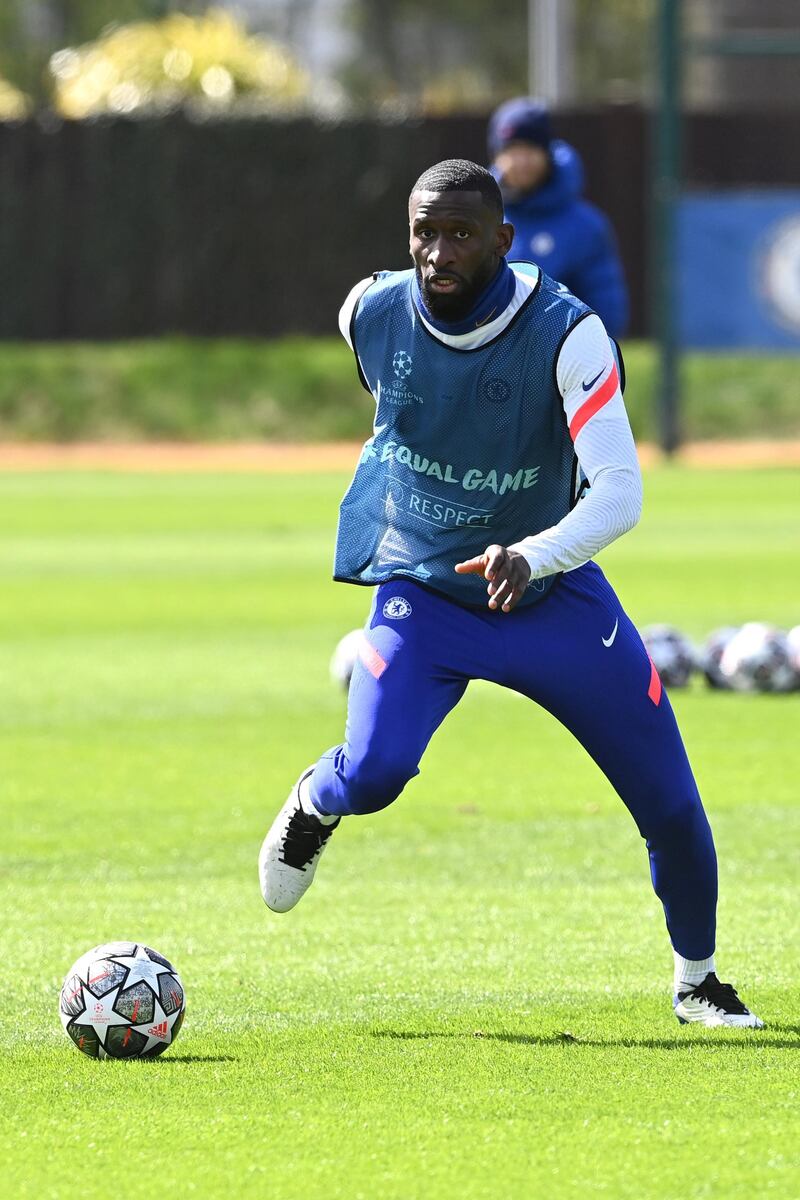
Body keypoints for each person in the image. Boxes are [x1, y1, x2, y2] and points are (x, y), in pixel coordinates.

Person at [259, 158, 762, 1029]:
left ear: (503, 240)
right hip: (427, 595)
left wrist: (532, 555)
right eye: (424, 232)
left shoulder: (568, 333)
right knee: (375, 772)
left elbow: (619, 492)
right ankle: (316, 800)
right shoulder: (367, 311)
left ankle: (698, 983)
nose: (438, 252)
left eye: (460, 234)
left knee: (672, 807)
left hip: (549, 601)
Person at [488, 97, 629, 339]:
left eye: (530, 149)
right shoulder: (483, 217)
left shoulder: (586, 226)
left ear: (547, 153)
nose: (521, 161)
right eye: (512, 150)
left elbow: (607, 312)